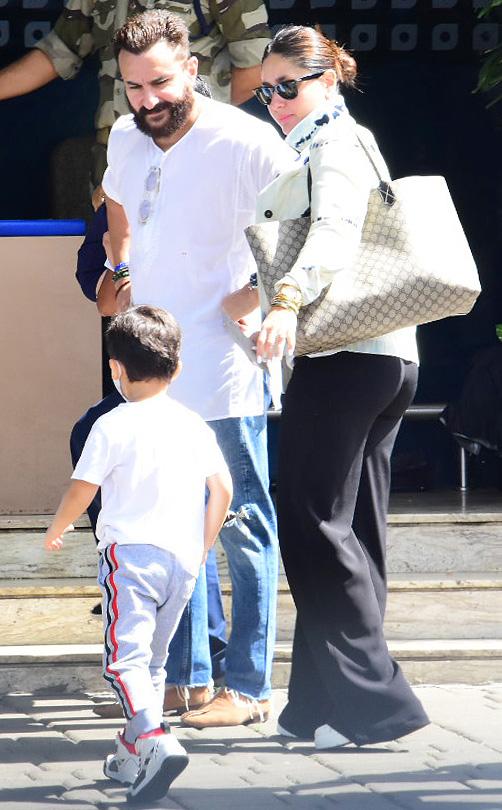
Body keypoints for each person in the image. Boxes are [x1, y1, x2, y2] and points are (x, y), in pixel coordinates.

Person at [77, 9, 295, 727]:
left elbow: (307, 218)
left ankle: (249, 687)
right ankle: (189, 677)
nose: (149, 100)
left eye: (161, 82)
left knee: (241, 522)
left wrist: (265, 295)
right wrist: (119, 266)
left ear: (193, 70)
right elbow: (117, 206)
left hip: (228, 366)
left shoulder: (244, 138)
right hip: (155, 374)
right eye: (135, 86)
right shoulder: (126, 137)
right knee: (173, 523)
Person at [247, 25, 430, 748]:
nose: (276, 100)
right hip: (382, 359)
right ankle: (320, 705)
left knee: (313, 523)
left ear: (328, 81)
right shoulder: (336, 139)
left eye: (288, 86)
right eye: (266, 89)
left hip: (346, 357)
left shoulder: (333, 143)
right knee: (348, 529)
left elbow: (334, 232)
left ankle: (379, 704)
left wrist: (287, 299)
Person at [44, 305, 233, 802]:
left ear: (116, 368)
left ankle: (153, 738)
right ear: (178, 368)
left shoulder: (112, 424)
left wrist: (57, 528)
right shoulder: (194, 424)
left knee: (123, 663)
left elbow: (83, 488)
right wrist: (203, 545)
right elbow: (223, 490)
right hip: (182, 563)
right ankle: (130, 753)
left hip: (131, 559)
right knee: (152, 665)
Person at [0, 0, 271, 205]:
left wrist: (183, 119)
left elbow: (257, 68)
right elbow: (59, 50)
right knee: (114, 262)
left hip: (194, 155)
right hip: (115, 158)